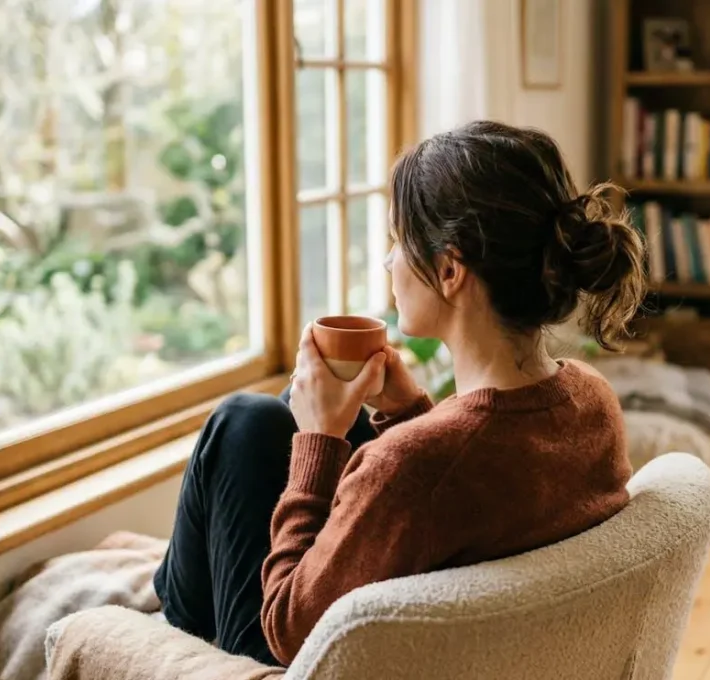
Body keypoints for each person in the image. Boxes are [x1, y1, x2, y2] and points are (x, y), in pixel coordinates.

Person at [153, 120, 647, 667]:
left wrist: (319, 440)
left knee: (239, 421)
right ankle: (162, 577)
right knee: (262, 424)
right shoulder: (591, 400)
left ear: (450, 269)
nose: (389, 262)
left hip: (293, 660)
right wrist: (412, 412)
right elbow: (477, 481)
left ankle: (162, 629)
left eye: (397, 241)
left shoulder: (408, 467)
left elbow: (290, 629)